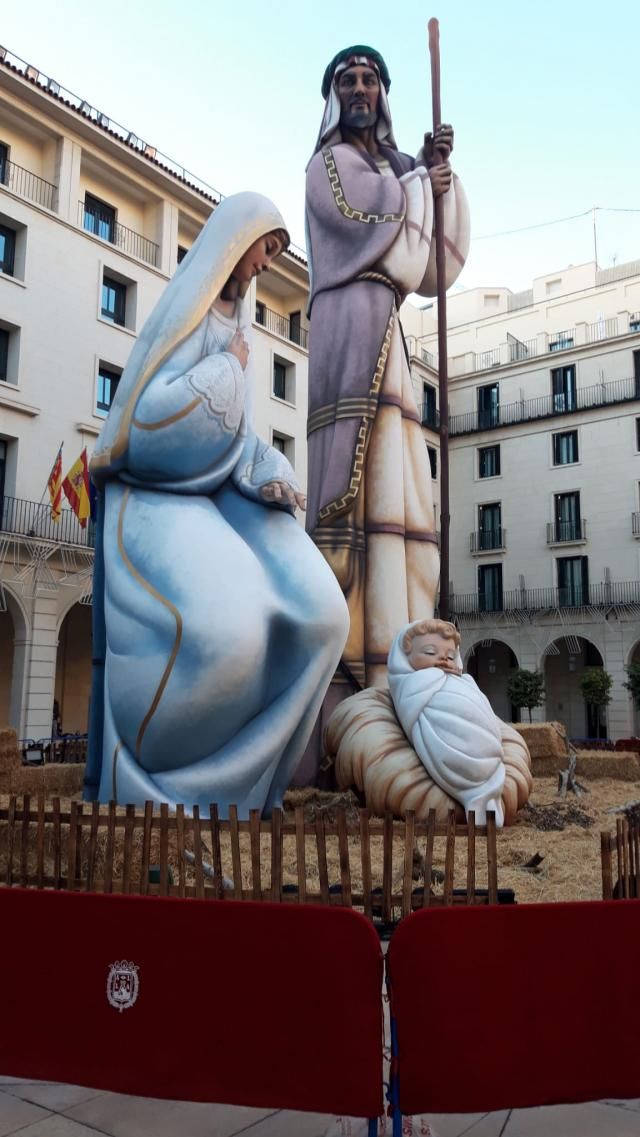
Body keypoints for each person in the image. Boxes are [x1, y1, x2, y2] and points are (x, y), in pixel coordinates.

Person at [85, 192, 349, 816]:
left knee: (323, 617)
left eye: (276, 253)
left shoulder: (240, 324)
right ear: (235, 241)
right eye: (265, 248)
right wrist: (230, 371)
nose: (265, 264)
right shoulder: (188, 316)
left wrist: (272, 472)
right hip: (152, 491)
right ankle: (169, 789)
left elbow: (237, 435)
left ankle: (253, 788)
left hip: (219, 490)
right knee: (226, 633)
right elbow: (146, 422)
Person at [304, 46, 470, 726]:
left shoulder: (393, 168)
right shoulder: (328, 166)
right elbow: (371, 217)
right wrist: (418, 183)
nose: (361, 89)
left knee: (400, 501)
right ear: (334, 94)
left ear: (385, 93)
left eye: (370, 79)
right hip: (347, 326)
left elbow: (435, 262)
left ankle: (396, 659)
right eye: (348, 80)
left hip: (389, 336)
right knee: (354, 497)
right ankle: (349, 672)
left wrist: (441, 176)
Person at [388, 619, 506, 826]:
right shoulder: (412, 684)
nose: (443, 659)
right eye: (430, 653)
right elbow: (411, 707)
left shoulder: (464, 681)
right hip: (450, 744)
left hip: (487, 748)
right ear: (404, 657)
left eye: (450, 656)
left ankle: (485, 788)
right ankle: (475, 791)